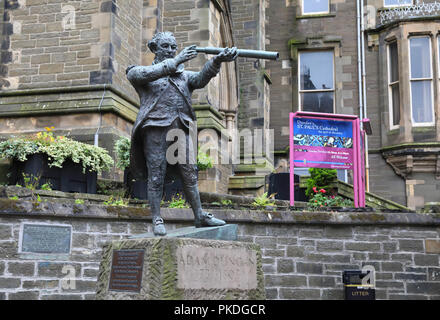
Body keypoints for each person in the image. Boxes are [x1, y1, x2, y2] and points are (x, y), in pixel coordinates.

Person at [126, 32, 238, 236]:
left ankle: (199, 215)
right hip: (155, 128)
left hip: (181, 128)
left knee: (189, 172)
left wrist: (217, 60)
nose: (170, 50)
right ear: (154, 49)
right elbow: (144, 75)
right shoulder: (138, 72)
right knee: (156, 174)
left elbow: (201, 78)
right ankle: (156, 217)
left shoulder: (183, 76)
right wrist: (176, 61)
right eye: (166, 46)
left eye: (173, 47)